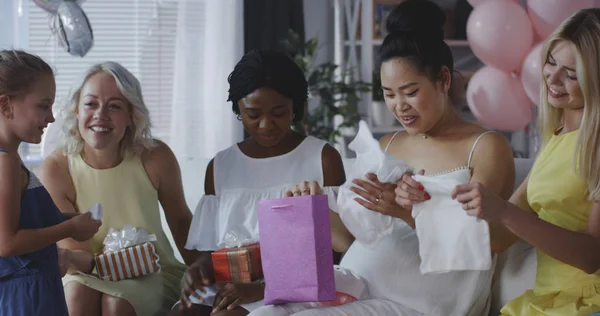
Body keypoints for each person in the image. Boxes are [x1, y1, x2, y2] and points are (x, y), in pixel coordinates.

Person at [249, 0, 516, 315]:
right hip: (358, 282)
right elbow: (348, 236)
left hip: (420, 301)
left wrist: (408, 212)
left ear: (443, 79)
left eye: (410, 91)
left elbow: (487, 240)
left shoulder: (485, 146)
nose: (399, 105)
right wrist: (314, 208)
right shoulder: (388, 144)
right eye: (389, 94)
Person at [171, 49, 350, 316]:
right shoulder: (220, 166)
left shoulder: (322, 159)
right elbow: (212, 252)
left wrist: (264, 288)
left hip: (299, 288)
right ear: (238, 110)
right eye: (253, 115)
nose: (266, 125)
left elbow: (336, 254)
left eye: (278, 113)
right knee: (181, 313)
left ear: (296, 108)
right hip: (232, 288)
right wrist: (197, 270)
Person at [453, 8, 600, 316]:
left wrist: (504, 210)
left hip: (588, 303)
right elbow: (499, 238)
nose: (553, 79)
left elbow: (591, 256)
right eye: (551, 62)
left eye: (571, 74)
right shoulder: (555, 139)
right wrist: (421, 204)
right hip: (548, 301)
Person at [38, 61, 194, 316]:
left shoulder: (155, 157)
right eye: (90, 104)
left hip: (152, 271)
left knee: (116, 303)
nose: (101, 114)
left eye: (114, 106)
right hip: (85, 270)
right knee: (77, 293)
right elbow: (78, 255)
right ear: (76, 110)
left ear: (132, 115)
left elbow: (181, 221)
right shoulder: (56, 169)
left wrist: (206, 272)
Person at [0, 50, 101, 316]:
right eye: (43, 105)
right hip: (28, 299)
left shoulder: (11, 158)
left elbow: (24, 220)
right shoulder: (5, 162)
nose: (52, 117)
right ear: (5, 105)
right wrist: (68, 227)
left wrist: (70, 220)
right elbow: (7, 243)